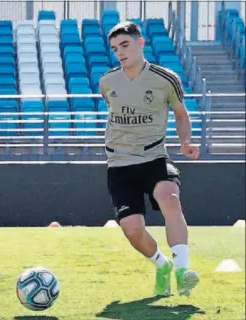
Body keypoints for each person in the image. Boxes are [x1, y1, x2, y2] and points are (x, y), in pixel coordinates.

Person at [99, 21, 200, 297]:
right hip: (119, 164)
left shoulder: (166, 79)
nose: (120, 52)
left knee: (170, 196)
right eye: (115, 48)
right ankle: (162, 265)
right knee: (132, 229)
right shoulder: (107, 82)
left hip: (154, 157)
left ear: (140, 43)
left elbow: (180, 114)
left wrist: (185, 142)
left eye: (125, 45)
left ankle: (182, 271)